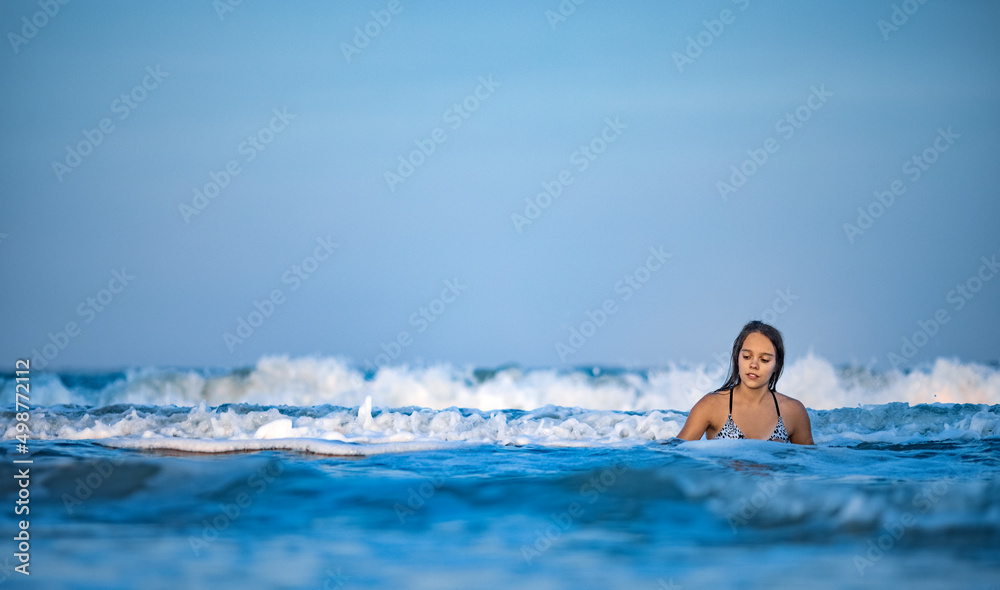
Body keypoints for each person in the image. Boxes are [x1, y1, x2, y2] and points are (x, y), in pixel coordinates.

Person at [677, 321, 814, 445]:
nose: (753, 365)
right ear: (737, 358)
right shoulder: (711, 406)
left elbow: (808, 464)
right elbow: (675, 452)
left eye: (764, 359)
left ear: (776, 365)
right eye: (747, 357)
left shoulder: (793, 411)